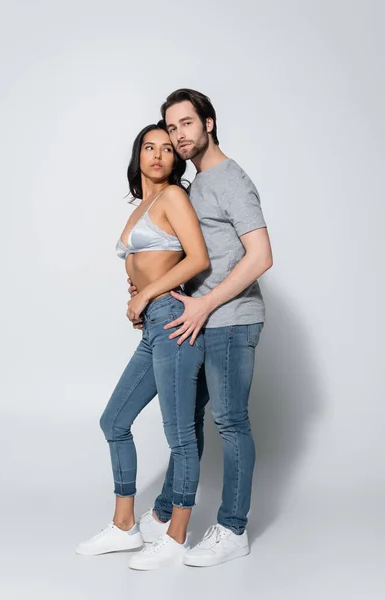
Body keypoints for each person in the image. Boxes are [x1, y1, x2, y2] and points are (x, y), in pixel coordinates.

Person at [129, 89, 273, 567]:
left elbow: (261, 256)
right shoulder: (195, 184)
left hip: (230, 321)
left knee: (230, 422)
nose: (178, 135)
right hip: (198, 319)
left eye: (187, 124)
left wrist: (204, 302)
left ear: (209, 123)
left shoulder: (230, 179)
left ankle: (233, 528)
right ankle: (167, 512)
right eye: (171, 128)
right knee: (186, 422)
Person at [76, 121, 209, 570]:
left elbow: (198, 258)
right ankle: (124, 526)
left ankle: (175, 536)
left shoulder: (173, 196)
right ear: (138, 157)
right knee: (114, 420)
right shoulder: (142, 205)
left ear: (176, 159)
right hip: (153, 323)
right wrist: (138, 296)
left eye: (167, 149)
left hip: (174, 321)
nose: (157, 155)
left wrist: (149, 294)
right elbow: (146, 262)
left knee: (180, 435)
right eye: (149, 148)